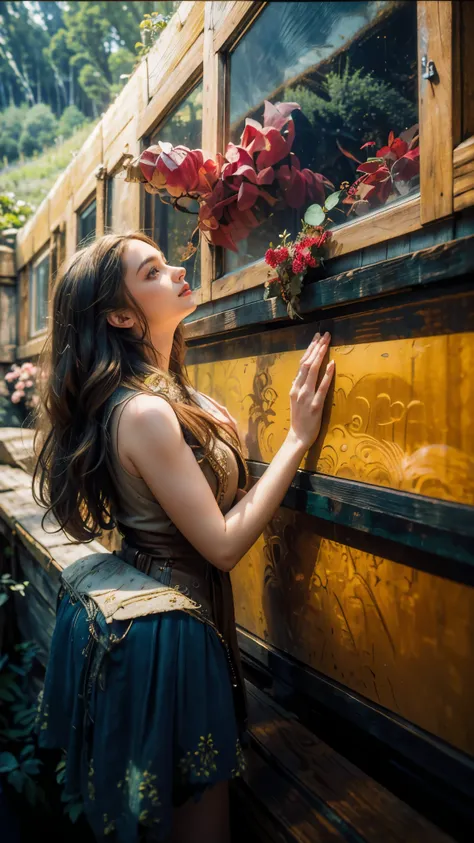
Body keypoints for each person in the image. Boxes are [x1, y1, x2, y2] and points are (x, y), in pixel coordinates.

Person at [33, 232, 335, 843]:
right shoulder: (144, 412)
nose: (177, 269)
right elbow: (221, 545)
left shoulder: (167, 395)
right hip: (169, 641)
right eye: (153, 272)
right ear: (121, 315)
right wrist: (298, 440)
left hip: (176, 620)